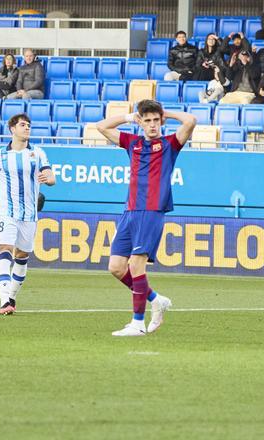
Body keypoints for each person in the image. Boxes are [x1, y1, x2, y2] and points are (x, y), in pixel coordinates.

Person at [96, 100, 197, 336]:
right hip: (130, 211)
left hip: (151, 211)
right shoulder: (133, 143)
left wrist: (166, 113)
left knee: (135, 264)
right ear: (141, 123)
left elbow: (191, 121)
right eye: (147, 121)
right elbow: (101, 126)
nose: (152, 125)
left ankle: (137, 324)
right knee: (116, 267)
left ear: (161, 121)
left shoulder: (170, 144)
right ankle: (156, 299)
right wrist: (130, 117)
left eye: (156, 120)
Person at [0, 113, 56, 315]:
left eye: (29, 125)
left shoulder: (38, 153)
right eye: (23, 125)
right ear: (12, 129)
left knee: (22, 256)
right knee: (5, 249)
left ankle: (12, 296)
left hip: (29, 215)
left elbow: (51, 176)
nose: (27, 128)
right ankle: (4, 300)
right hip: (7, 212)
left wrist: (48, 179)